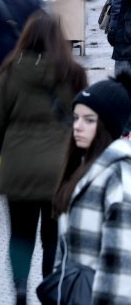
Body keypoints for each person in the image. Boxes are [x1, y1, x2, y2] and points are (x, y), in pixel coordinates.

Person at [0, 11, 87, 305]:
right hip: (62, 169)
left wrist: (10, 145)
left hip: (19, 167)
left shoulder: (10, 70)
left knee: (20, 235)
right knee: (53, 237)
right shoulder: (74, 73)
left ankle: (19, 290)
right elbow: (86, 120)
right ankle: (49, 292)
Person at [51, 79, 131, 305]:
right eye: (75, 118)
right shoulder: (83, 167)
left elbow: (119, 264)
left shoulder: (117, 176)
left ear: (107, 125)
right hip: (76, 293)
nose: (77, 126)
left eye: (89, 120)